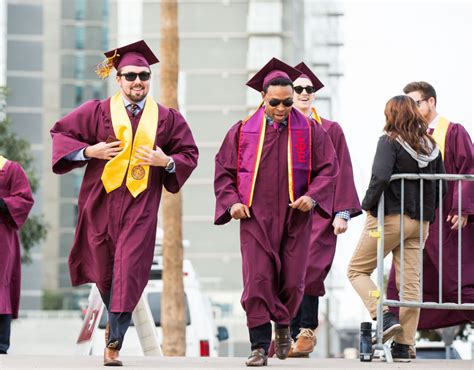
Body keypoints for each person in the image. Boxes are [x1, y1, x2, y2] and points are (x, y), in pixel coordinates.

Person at [50, 40, 198, 366]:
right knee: (104, 271)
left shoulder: (167, 118)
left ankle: (114, 341)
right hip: (100, 202)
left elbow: (188, 153)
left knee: (129, 269)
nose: (137, 82)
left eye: (144, 76)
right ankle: (114, 326)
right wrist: (91, 151)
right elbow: (61, 133)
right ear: (118, 78)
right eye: (130, 75)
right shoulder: (97, 111)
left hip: (140, 205)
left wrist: (166, 161)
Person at [214, 57, 339, 366]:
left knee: (293, 281)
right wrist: (232, 203)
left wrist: (312, 197)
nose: (282, 109)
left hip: (295, 217)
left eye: (287, 102)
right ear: (262, 98)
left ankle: (283, 325)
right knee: (257, 280)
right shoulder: (242, 131)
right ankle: (259, 346)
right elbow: (224, 171)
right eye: (275, 103)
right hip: (255, 218)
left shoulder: (310, 131)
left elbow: (329, 169)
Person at [347, 95, 445, 362]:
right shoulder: (432, 146)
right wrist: (427, 214)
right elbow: (442, 187)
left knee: (357, 269)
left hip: (389, 217)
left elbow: (380, 176)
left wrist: (367, 205)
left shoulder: (389, 141)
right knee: (410, 284)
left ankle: (383, 315)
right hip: (421, 223)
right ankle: (404, 346)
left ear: (391, 115)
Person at [386, 81, 474, 350]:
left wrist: (461, 208)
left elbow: (467, 169)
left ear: (431, 102)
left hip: (448, 223)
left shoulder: (453, 132)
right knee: (401, 284)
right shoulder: (406, 135)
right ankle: (401, 341)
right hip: (417, 219)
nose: (412, 108)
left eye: (417, 102)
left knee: (457, 284)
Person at [287, 62, 361, 357]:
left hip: (321, 212)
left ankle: (303, 331)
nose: (305, 93)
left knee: (311, 269)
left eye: (309, 89)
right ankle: (287, 333)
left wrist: (343, 212)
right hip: (287, 212)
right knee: (287, 271)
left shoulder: (330, 129)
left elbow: (343, 169)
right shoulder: (279, 129)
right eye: (299, 89)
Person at [0, 155, 34, 354]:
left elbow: (24, 199)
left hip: (2, 236)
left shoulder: (10, 169)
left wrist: (2, 203)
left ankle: (1, 343)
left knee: (0, 285)